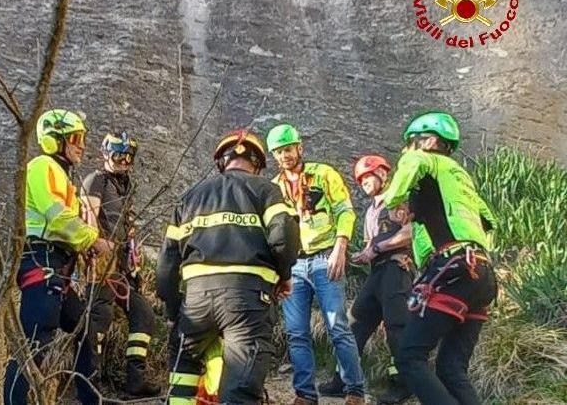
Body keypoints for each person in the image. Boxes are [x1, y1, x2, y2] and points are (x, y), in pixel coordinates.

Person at [157, 129, 299, 405]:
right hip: (247, 300)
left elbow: (165, 266)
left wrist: (175, 312)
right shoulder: (266, 190)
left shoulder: (190, 197)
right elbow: (284, 235)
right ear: (257, 164)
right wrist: (284, 275)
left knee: (183, 373)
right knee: (239, 391)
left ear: (221, 162)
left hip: (196, 302)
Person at [383, 111, 497, 405]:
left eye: (411, 142)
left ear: (430, 141)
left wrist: (392, 200)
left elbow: (411, 163)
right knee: (450, 369)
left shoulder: (426, 160)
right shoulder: (460, 178)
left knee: (409, 357)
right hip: (481, 272)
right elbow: (487, 219)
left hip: (453, 266)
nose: (406, 150)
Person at [3, 109, 114, 405]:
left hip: (57, 266)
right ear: (56, 140)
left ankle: (90, 399)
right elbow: (58, 218)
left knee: (84, 330)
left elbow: (65, 224)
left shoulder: (62, 176)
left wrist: (83, 246)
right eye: (76, 139)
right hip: (41, 261)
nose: (82, 145)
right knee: (35, 342)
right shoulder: (43, 166)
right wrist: (92, 240)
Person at [265, 123, 365, 405]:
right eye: (278, 152)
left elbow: (345, 211)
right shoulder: (274, 187)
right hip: (293, 264)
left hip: (325, 257)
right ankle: (305, 394)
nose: (284, 155)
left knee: (337, 326)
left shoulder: (324, 173)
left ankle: (355, 391)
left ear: (299, 147)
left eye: (288, 149)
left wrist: (340, 248)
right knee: (296, 332)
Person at [318, 155, 414, 404]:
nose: (363, 183)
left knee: (397, 327)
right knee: (355, 324)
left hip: (397, 268)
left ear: (382, 174)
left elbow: (411, 232)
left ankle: (403, 384)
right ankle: (344, 379)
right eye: (360, 180)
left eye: (367, 177)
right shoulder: (371, 210)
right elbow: (371, 245)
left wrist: (377, 248)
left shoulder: (397, 199)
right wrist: (362, 254)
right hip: (377, 272)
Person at [78, 131, 159, 398]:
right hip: (100, 264)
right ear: (105, 154)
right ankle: (93, 387)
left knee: (143, 314)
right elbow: (89, 220)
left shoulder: (125, 186)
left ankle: (135, 379)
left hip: (122, 267)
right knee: (99, 321)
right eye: (118, 156)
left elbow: (128, 227)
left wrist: (134, 262)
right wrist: (95, 248)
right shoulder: (96, 181)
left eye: (128, 157)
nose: (124, 161)